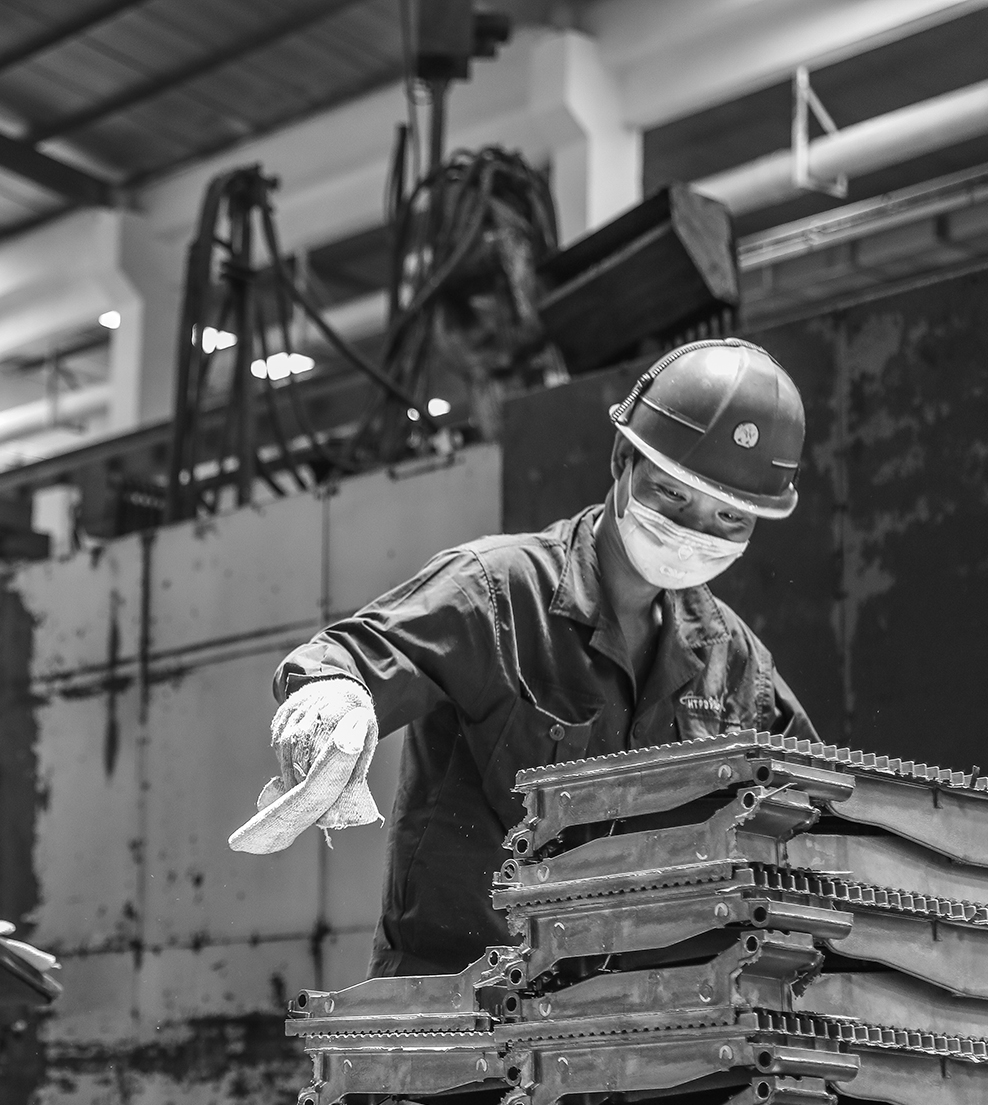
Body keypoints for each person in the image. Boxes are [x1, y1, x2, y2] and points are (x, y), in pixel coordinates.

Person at [256, 338, 818, 977]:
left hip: (644, 1026)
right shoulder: (497, 593)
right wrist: (333, 700)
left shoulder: (735, 662)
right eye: (673, 495)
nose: (696, 532)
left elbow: (819, 815)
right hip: (466, 1014)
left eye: (730, 519)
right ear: (623, 460)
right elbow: (354, 656)